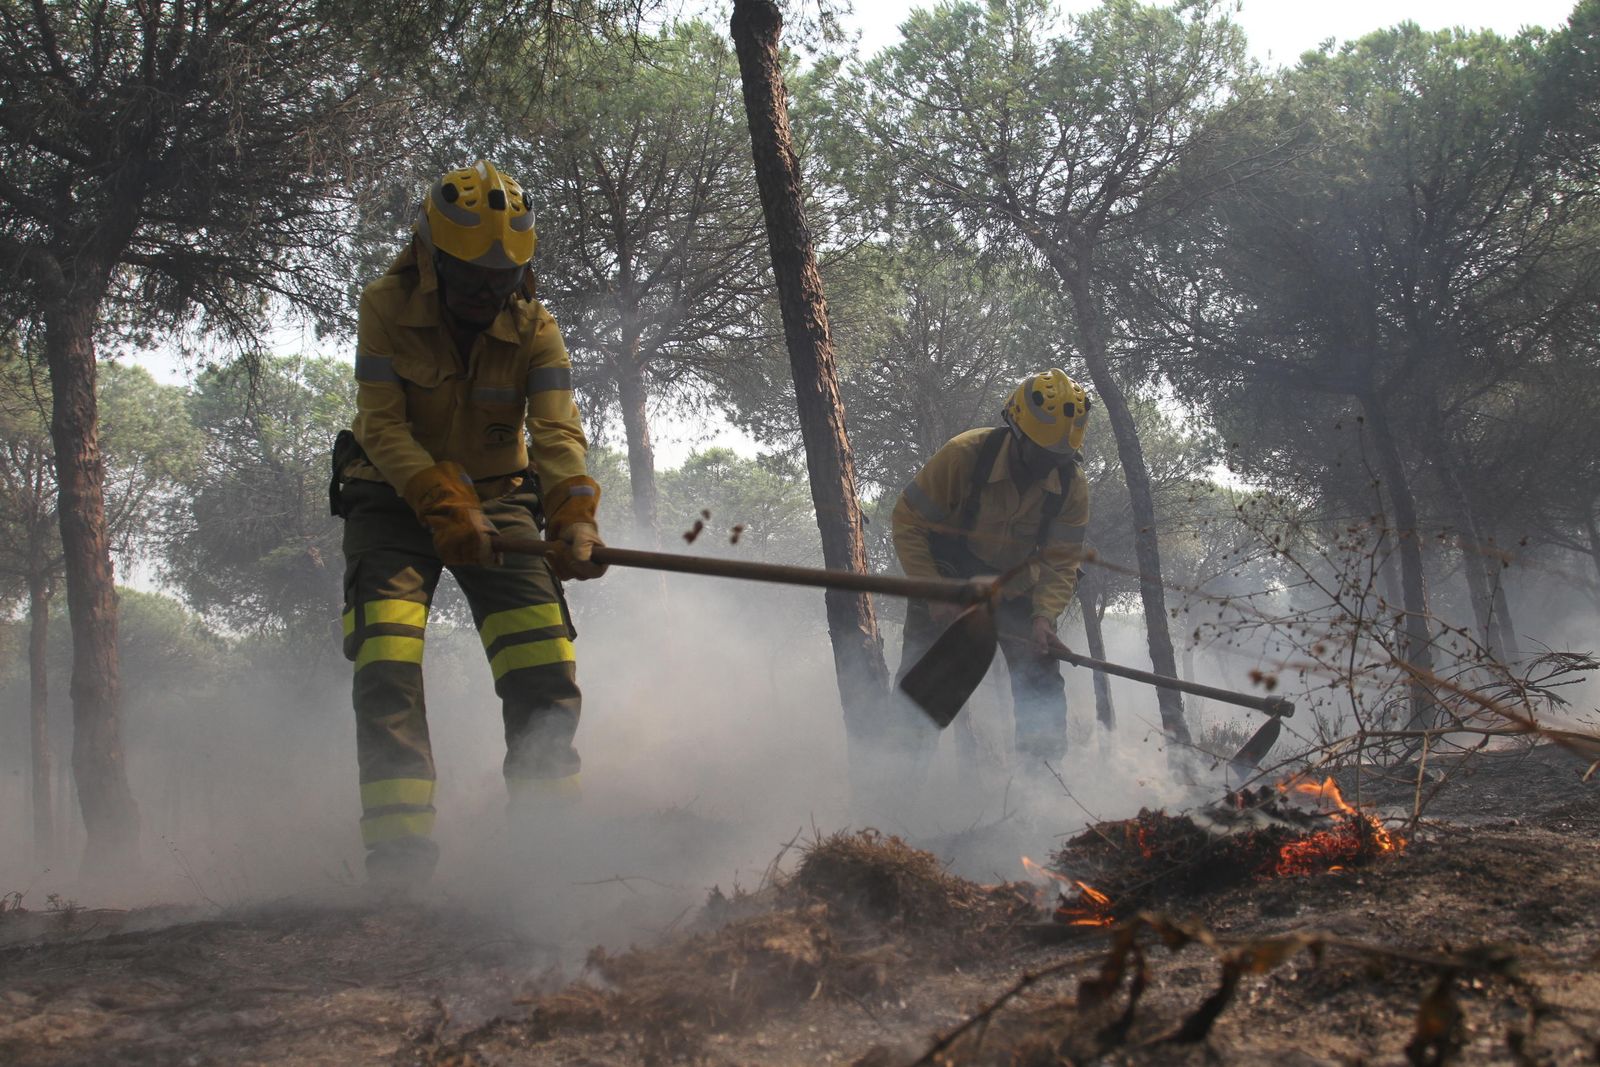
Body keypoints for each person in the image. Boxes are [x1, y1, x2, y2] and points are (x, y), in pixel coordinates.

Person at [330, 160, 606, 887]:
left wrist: (574, 511)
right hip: (390, 499)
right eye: (472, 277)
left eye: (504, 277)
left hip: (501, 499)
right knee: (386, 662)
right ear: (430, 257)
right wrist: (440, 500)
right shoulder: (384, 307)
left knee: (543, 664)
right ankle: (399, 870)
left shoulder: (536, 325)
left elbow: (556, 433)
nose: (489, 292)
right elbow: (382, 426)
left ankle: (549, 859)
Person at [890, 368, 1093, 772]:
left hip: (1017, 594)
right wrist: (933, 592)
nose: (1047, 467)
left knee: (1041, 683)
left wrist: (1042, 618)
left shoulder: (1072, 488)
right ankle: (895, 792)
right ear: (1016, 431)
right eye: (1040, 454)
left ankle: (1044, 794)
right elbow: (908, 520)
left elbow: (1061, 562)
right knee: (923, 690)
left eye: (1059, 458)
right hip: (947, 585)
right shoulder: (964, 456)